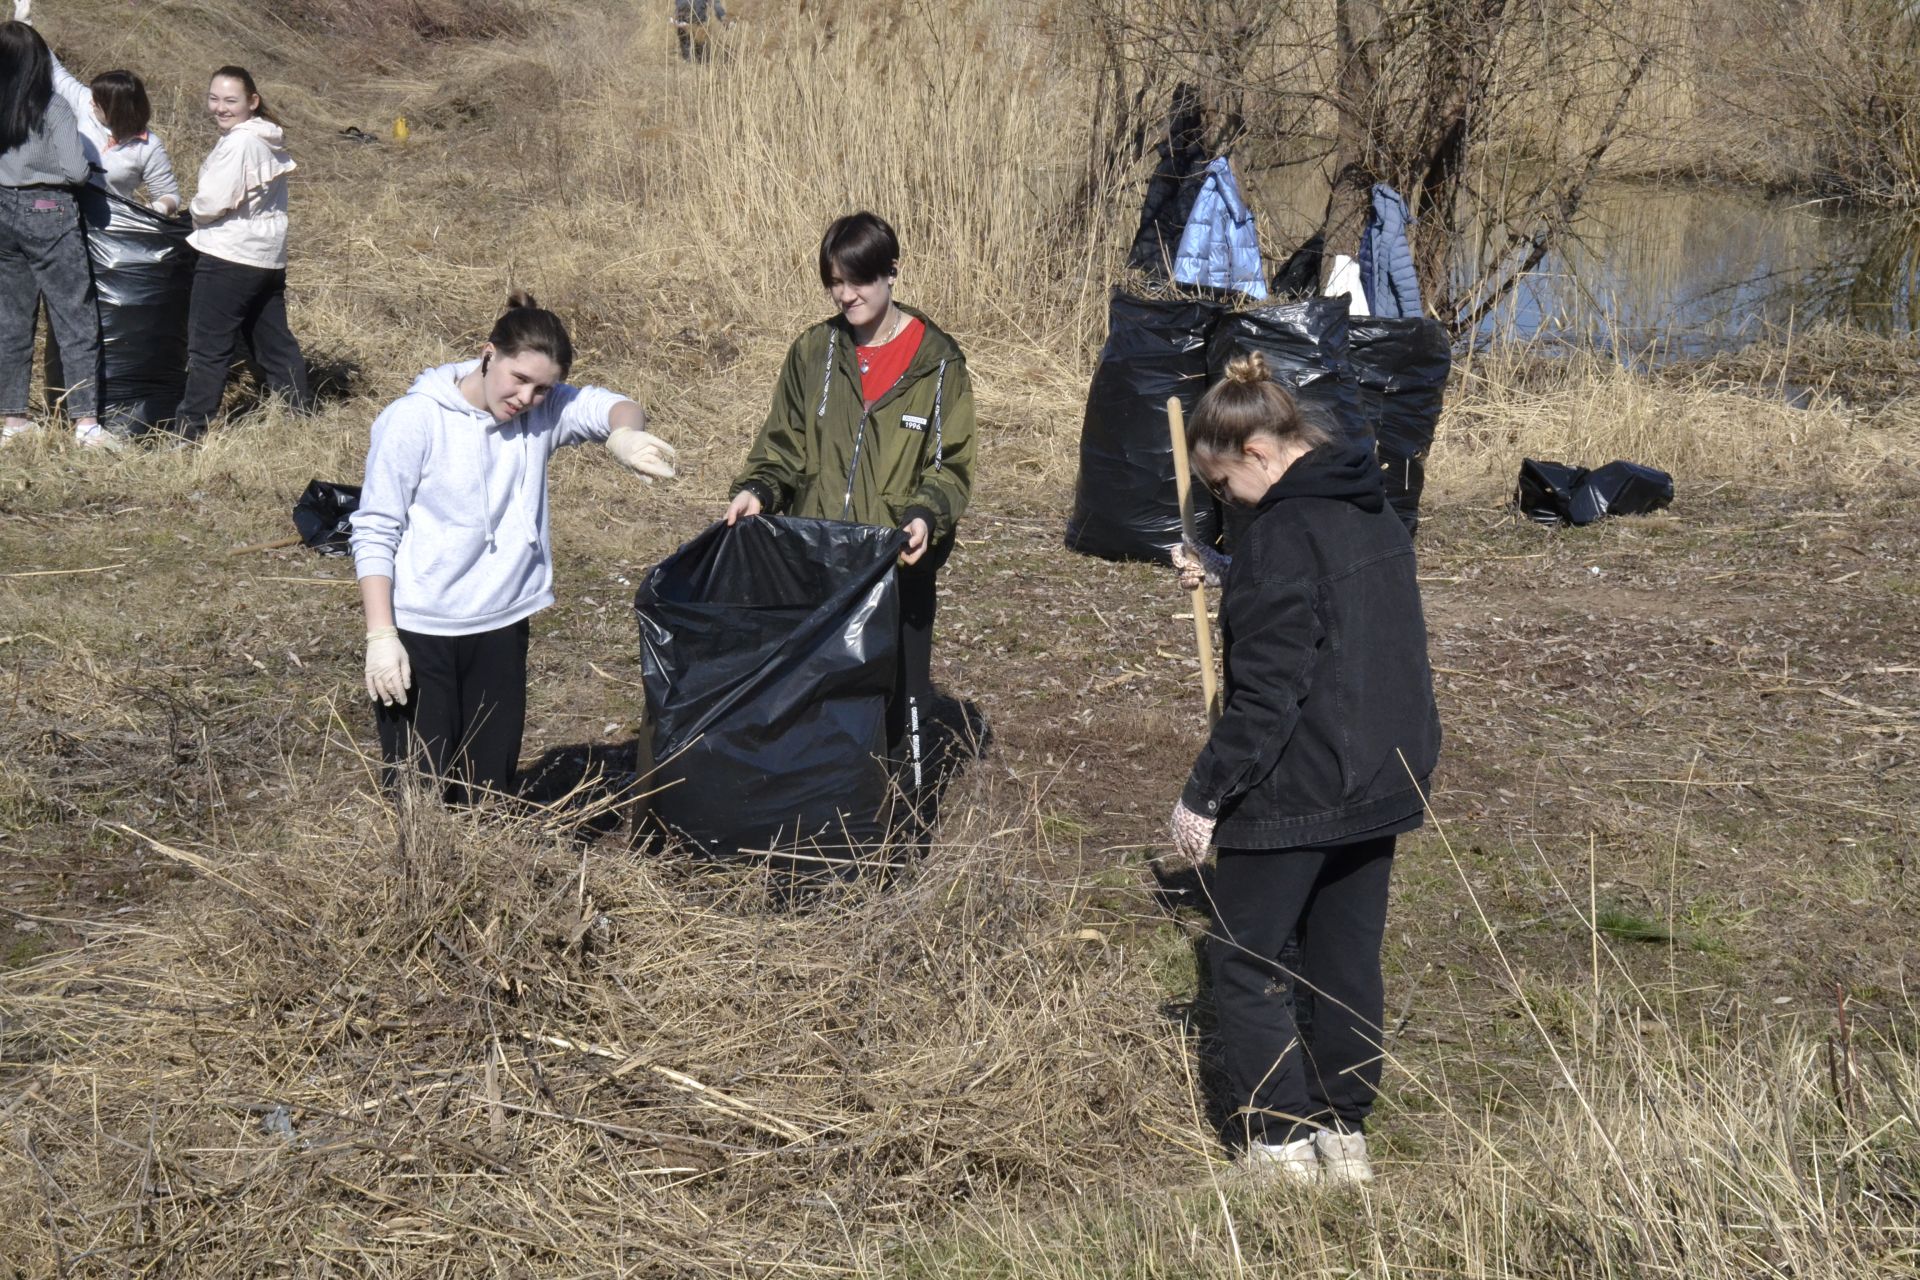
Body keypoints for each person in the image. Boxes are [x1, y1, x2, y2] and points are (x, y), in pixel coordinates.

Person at [1168, 351, 1440, 1184]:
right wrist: (1228, 574)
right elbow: (1333, 613)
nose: (1221, 503)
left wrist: (1203, 797)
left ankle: (1280, 1141)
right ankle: (1342, 1131)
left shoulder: (1281, 534)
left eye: (1219, 485)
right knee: (1344, 956)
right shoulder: (1370, 508)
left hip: (1302, 785)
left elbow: (1268, 693)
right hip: (1384, 774)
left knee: (1248, 960)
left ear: (1257, 453)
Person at [351, 294, 676, 803]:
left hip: (501, 624)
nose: (526, 397)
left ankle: (484, 879)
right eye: (518, 379)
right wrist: (381, 634)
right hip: (423, 629)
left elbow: (612, 405)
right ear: (488, 354)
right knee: (420, 791)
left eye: (542, 388)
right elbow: (375, 528)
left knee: (488, 791)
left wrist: (626, 437)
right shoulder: (413, 420)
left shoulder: (542, 415)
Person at [724, 211, 975, 805]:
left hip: (896, 568)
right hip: (816, 563)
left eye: (858, 280)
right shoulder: (814, 351)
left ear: (891, 272)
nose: (846, 295)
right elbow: (782, 446)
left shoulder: (938, 364)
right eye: (835, 282)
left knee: (898, 702)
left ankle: (899, 824)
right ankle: (817, 814)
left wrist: (925, 516)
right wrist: (758, 489)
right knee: (815, 697)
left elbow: (950, 465)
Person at [174, 65, 308, 441]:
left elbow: (214, 201)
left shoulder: (239, 142)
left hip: (229, 258)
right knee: (274, 343)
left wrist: (194, 212)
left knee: (207, 348)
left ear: (252, 101)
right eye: (214, 98)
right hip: (266, 257)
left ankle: (190, 432)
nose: (219, 107)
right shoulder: (266, 138)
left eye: (230, 100)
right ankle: (299, 420)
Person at [0, 17, 108, 449]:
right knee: (74, 317)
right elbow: (75, 170)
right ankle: (85, 422)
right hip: (49, 209)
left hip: (2, 210)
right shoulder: (53, 107)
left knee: (11, 320)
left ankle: (12, 418)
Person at [14, 0, 178, 212]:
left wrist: (158, 207)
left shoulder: (148, 147)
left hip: (110, 232)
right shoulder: (86, 103)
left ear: (117, 110)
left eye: (98, 102)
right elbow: (56, 73)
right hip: (63, 216)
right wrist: (25, 26)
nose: (92, 102)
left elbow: (169, 194)